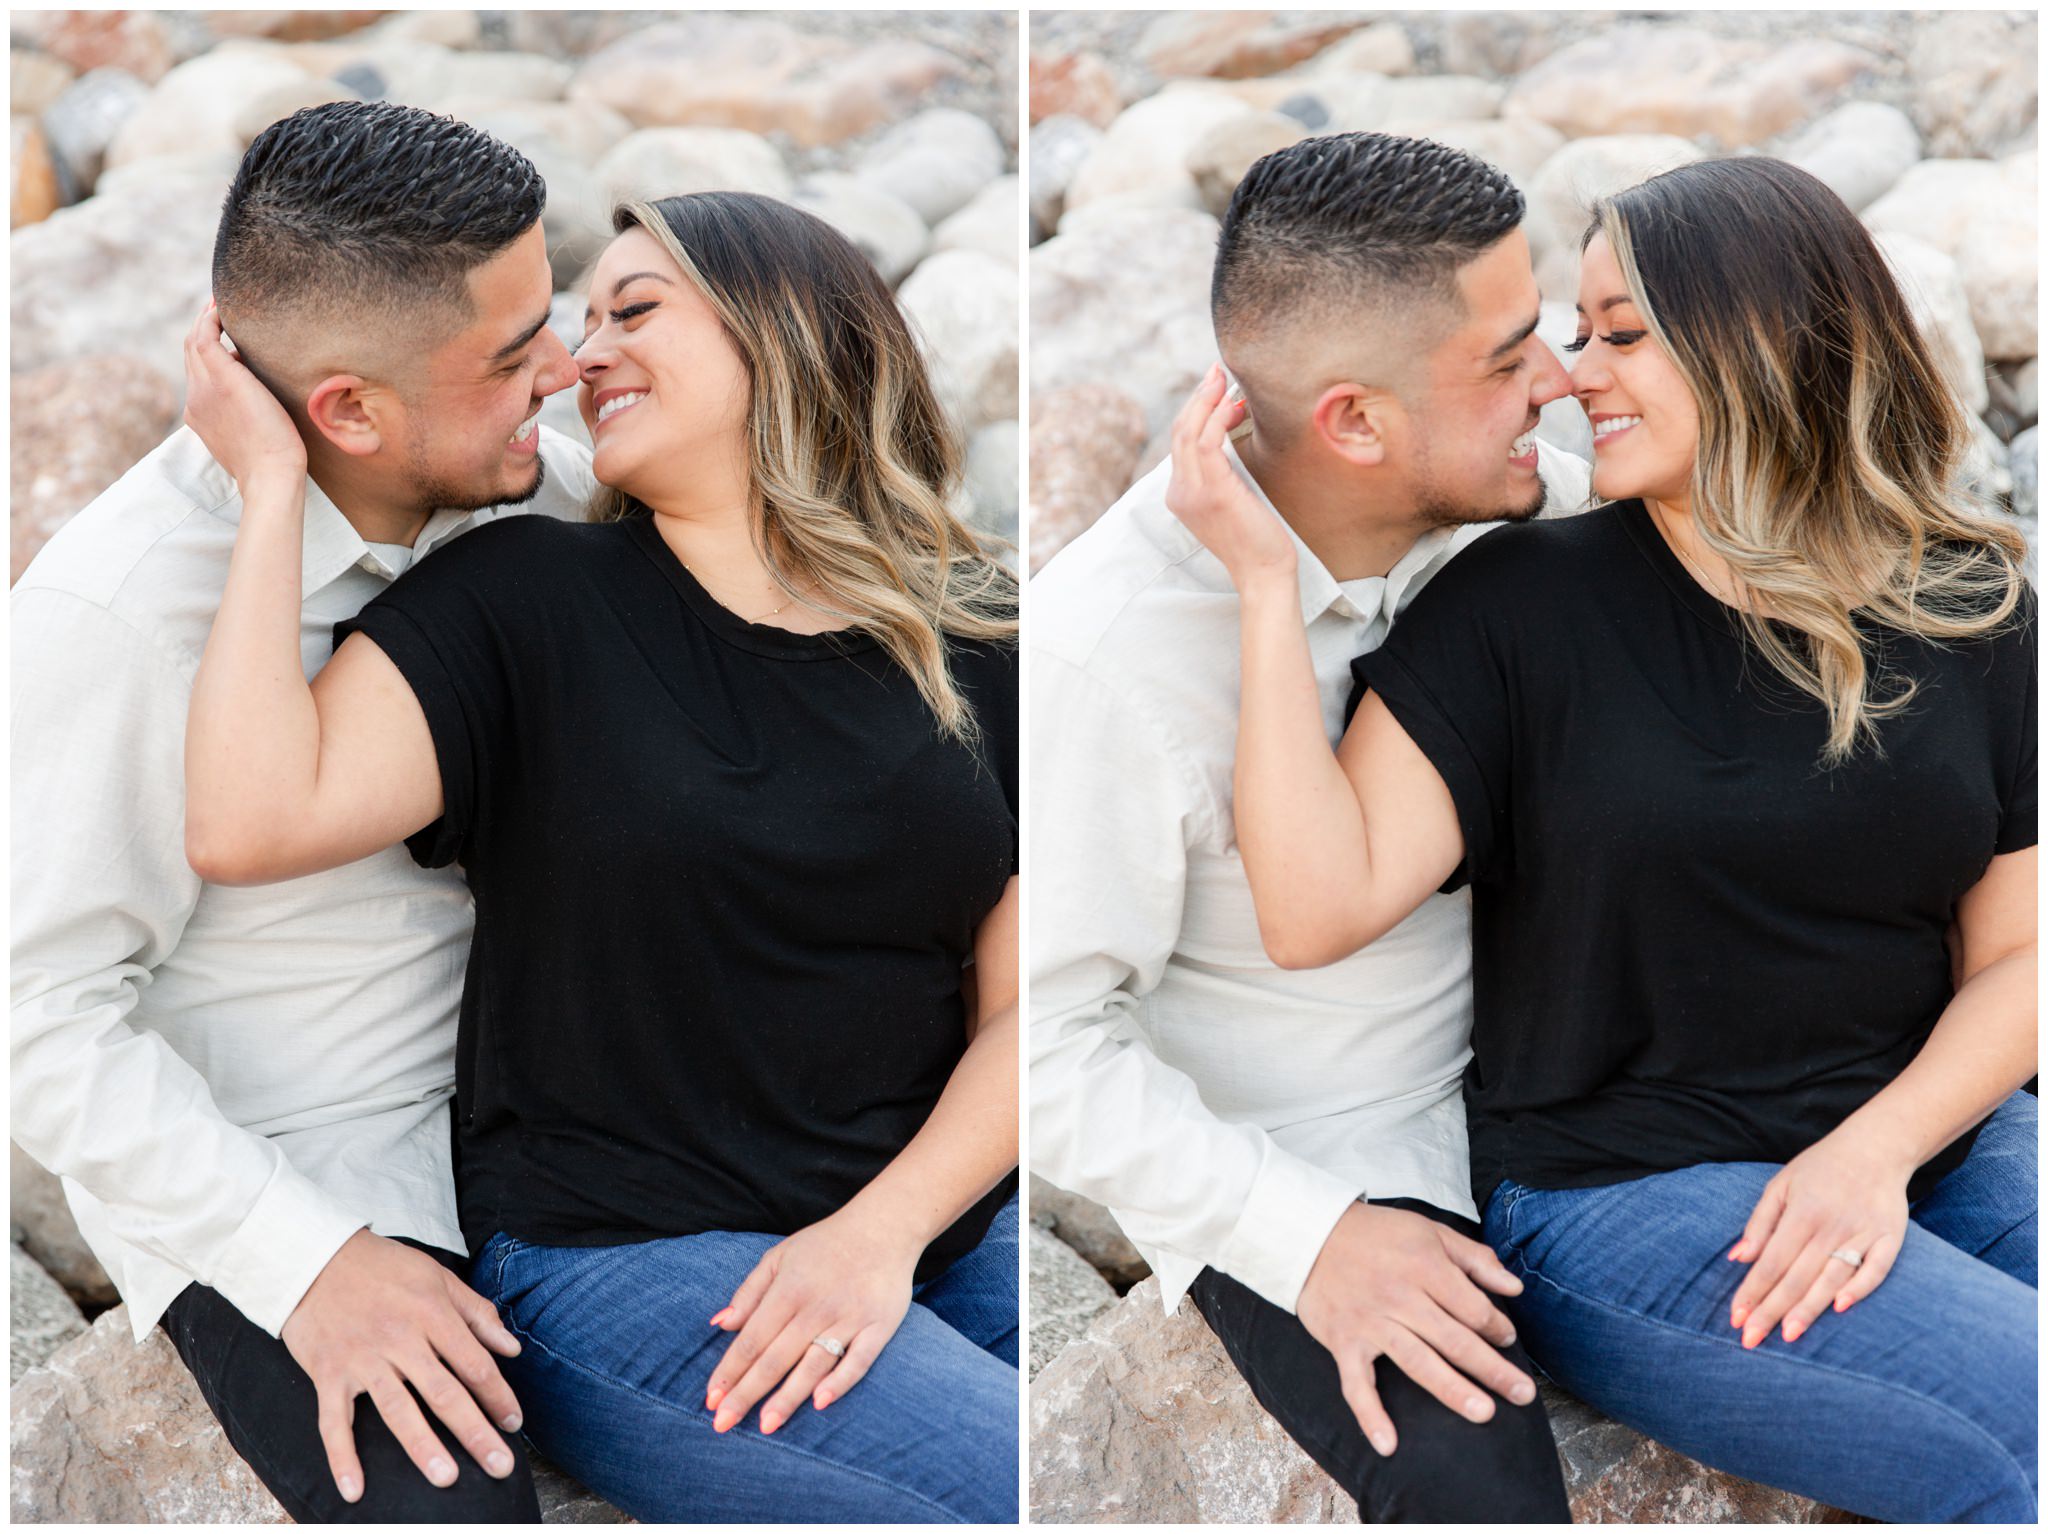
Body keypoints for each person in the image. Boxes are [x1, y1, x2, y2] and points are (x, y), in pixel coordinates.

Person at [1162, 154, 2036, 1523]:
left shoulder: (1968, 598)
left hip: (1929, 1139)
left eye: (1618, 333)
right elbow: (1314, 903)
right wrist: (1266, 582)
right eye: (1575, 334)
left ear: (1763, 337)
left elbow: (2023, 952)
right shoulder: (1521, 606)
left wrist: (1873, 1153)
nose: (1573, 375)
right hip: (1633, 1197)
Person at [176, 186, 1021, 1524]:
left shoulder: (975, 642)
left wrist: (882, 1232)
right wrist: (271, 484)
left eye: (634, 309)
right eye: (577, 326)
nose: (580, 358)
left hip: (932, 1222)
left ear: (787, 326)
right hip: (631, 1258)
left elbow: (1033, 1009)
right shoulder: (524, 604)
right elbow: (248, 817)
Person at [11, 102, 596, 1522]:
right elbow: (40, 1021)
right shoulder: (119, 613)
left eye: (554, 319)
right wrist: (309, 1258)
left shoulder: (547, 499)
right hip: (316, 1160)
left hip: (580, 1110)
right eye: (514, 356)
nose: (567, 372)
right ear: (346, 409)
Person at [1031, 132, 1588, 1522]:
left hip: (1581, 1080)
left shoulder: (1519, 511)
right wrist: (1310, 1237)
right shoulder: (1105, 653)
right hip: (1340, 1152)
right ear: (1352, 421)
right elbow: (1039, 1047)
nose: (1560, 383)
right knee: (1482, 1487)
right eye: (1511, 357)